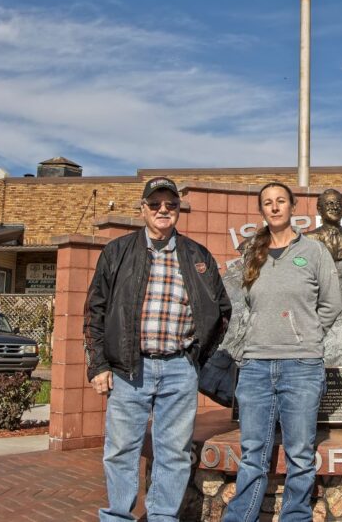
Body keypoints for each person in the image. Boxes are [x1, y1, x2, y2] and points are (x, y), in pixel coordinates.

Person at [84, 176, 232, 522]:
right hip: (128, 369)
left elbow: (222, 310)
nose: (163, 210)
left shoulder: (197, 255)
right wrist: (98, 364)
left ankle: (163, 517)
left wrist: (197, 357)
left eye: (171, 204)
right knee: (120, 450)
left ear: (178, 210)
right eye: (155, 204)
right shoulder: (118, 252)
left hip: (180, 369)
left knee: (174, 452)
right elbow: (95, 310)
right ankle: (118, 516)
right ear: (143, 210)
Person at [224, 182, 342, 522]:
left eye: (280, 201)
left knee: (300, 454)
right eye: (267, 203)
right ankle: (241, 517)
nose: (274, 208)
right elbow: (246, 305)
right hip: (256, 367)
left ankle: (295, 516)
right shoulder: (253, 252)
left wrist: (306, 333)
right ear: (261, 210)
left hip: (301, 366)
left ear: (292, 206)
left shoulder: (315, 251)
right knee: (252, 454)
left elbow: (331, 304)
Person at [304, 187, 342, 261]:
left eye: (338, 204)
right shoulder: (307, 239)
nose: (335, 207)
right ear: (319, 209)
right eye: (330, 203)